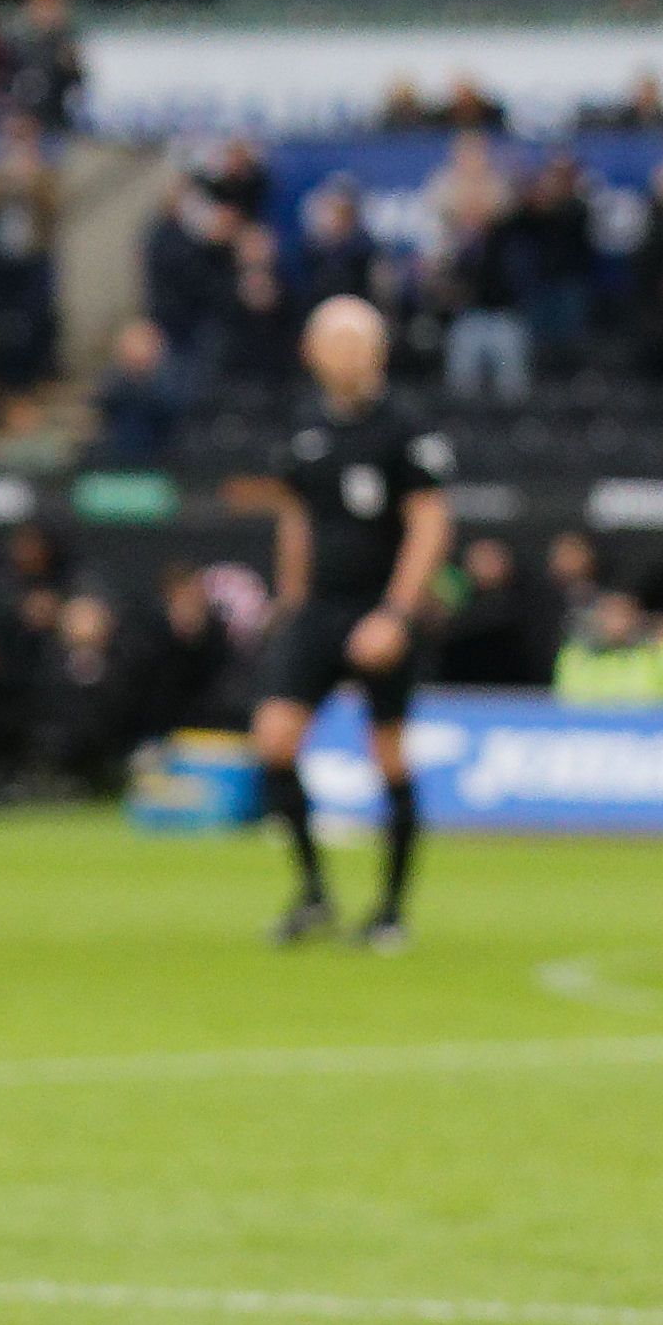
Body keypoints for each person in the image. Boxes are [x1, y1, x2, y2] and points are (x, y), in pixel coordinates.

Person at [241, 298, 456, 950]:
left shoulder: (404, 427)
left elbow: (429, 521)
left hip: (379, 607)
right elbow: (297, 515)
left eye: (360, 340)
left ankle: (391, 909)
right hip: (319, 609)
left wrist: (396, 612)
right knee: (275, 738)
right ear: (312, 351)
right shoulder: (305, 425)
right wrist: (291, 597)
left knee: (387, 751)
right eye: (335, 340)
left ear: (380, 350)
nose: (349, 352)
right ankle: (313, 893)